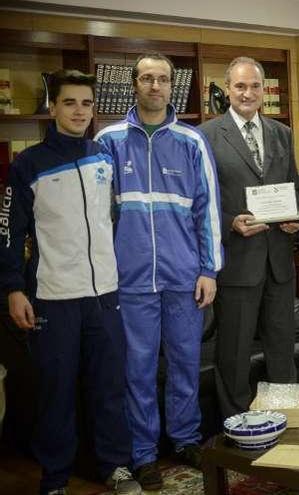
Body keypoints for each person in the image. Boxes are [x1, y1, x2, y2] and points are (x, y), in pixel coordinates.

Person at [0, 69, 142, 495]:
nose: (79, 111)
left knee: (109, 386)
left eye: (86, 103)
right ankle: (55, 478)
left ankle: (116, 466)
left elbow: (110, 219)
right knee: (56, 393)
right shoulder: (27, 165)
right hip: (54, 297)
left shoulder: (103, 157)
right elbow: (9, 233)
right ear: (52, 107)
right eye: (69, 102)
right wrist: (13, 289)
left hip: (105, 297)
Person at [95, 52, 223, 491]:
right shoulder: (108, 139)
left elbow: (208, 211)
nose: (155, 86)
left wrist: (209, 269)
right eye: (147, 78)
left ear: (173, 87)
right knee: (139, 369)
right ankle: (144, 454)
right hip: (129, 282)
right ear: (135, 84)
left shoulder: (191, 141)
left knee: (186, 363)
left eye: (163, 79)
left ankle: (185, 438)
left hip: (184, 277)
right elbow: (97, 214)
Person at [199, 57, 299, 419]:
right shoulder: (206, 136)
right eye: (240, 86)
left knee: (281, 349)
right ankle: (238, 426)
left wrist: (296, 217)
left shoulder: (281, 133)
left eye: (255, 86)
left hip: (278, 261)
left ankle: (286, 422)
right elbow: (203, 201)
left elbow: (293, 187)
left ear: (263, 91)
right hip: (238, 262)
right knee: (235, 352)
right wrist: (231, 222)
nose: (248, 93)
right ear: (227, 89)